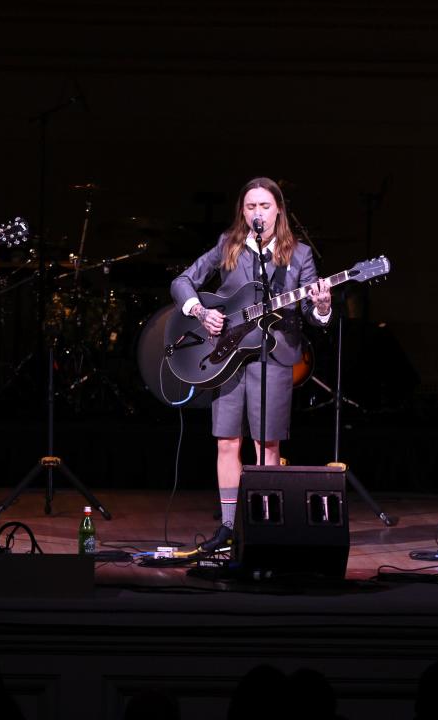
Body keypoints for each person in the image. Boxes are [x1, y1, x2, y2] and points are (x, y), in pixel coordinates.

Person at [171, 177, 332, 552]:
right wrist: (200, 311)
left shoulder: (300, 254)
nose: (257, 213)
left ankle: (265, 523)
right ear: (242, 212)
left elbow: (311, 312)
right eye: (250, 207)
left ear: (278, 209)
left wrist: (322, 306)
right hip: (228, 357)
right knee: (227, 441)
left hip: (273, 354)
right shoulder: (229, 246)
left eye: (264, 206)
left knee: (266, 444)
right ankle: (228, 527)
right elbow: (183, 281)